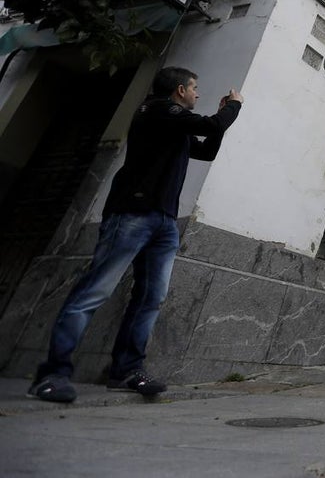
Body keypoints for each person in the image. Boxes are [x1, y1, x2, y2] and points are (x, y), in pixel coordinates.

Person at [27, 67, 243, 403]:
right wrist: (233, 106)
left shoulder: (174, 125)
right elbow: (211, 124)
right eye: (195, 88)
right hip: (131, 215)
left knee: (150, 298)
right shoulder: (156, 109)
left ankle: (126, 370)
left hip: (164, 222)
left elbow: (207, 148)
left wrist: (219, 118)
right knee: (93, 292)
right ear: (180, 90)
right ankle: (51, 375)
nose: (197, 94)